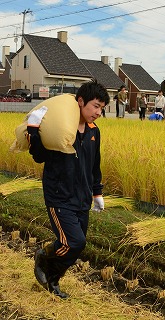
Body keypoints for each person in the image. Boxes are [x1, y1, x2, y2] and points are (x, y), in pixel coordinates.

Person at [26, 79, 110, 299]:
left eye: (102, 108)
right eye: (96, 106)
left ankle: (52, 280)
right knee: (73, 242)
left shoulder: (94, 131)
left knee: (76, 247)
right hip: (59, 196)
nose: (98, 112)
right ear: (80, 101)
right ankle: (44, 258)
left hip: (82, 197)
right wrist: (34, 131)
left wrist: (97, 192)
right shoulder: (61, 128)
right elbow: (40, 157)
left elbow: (95, 163)